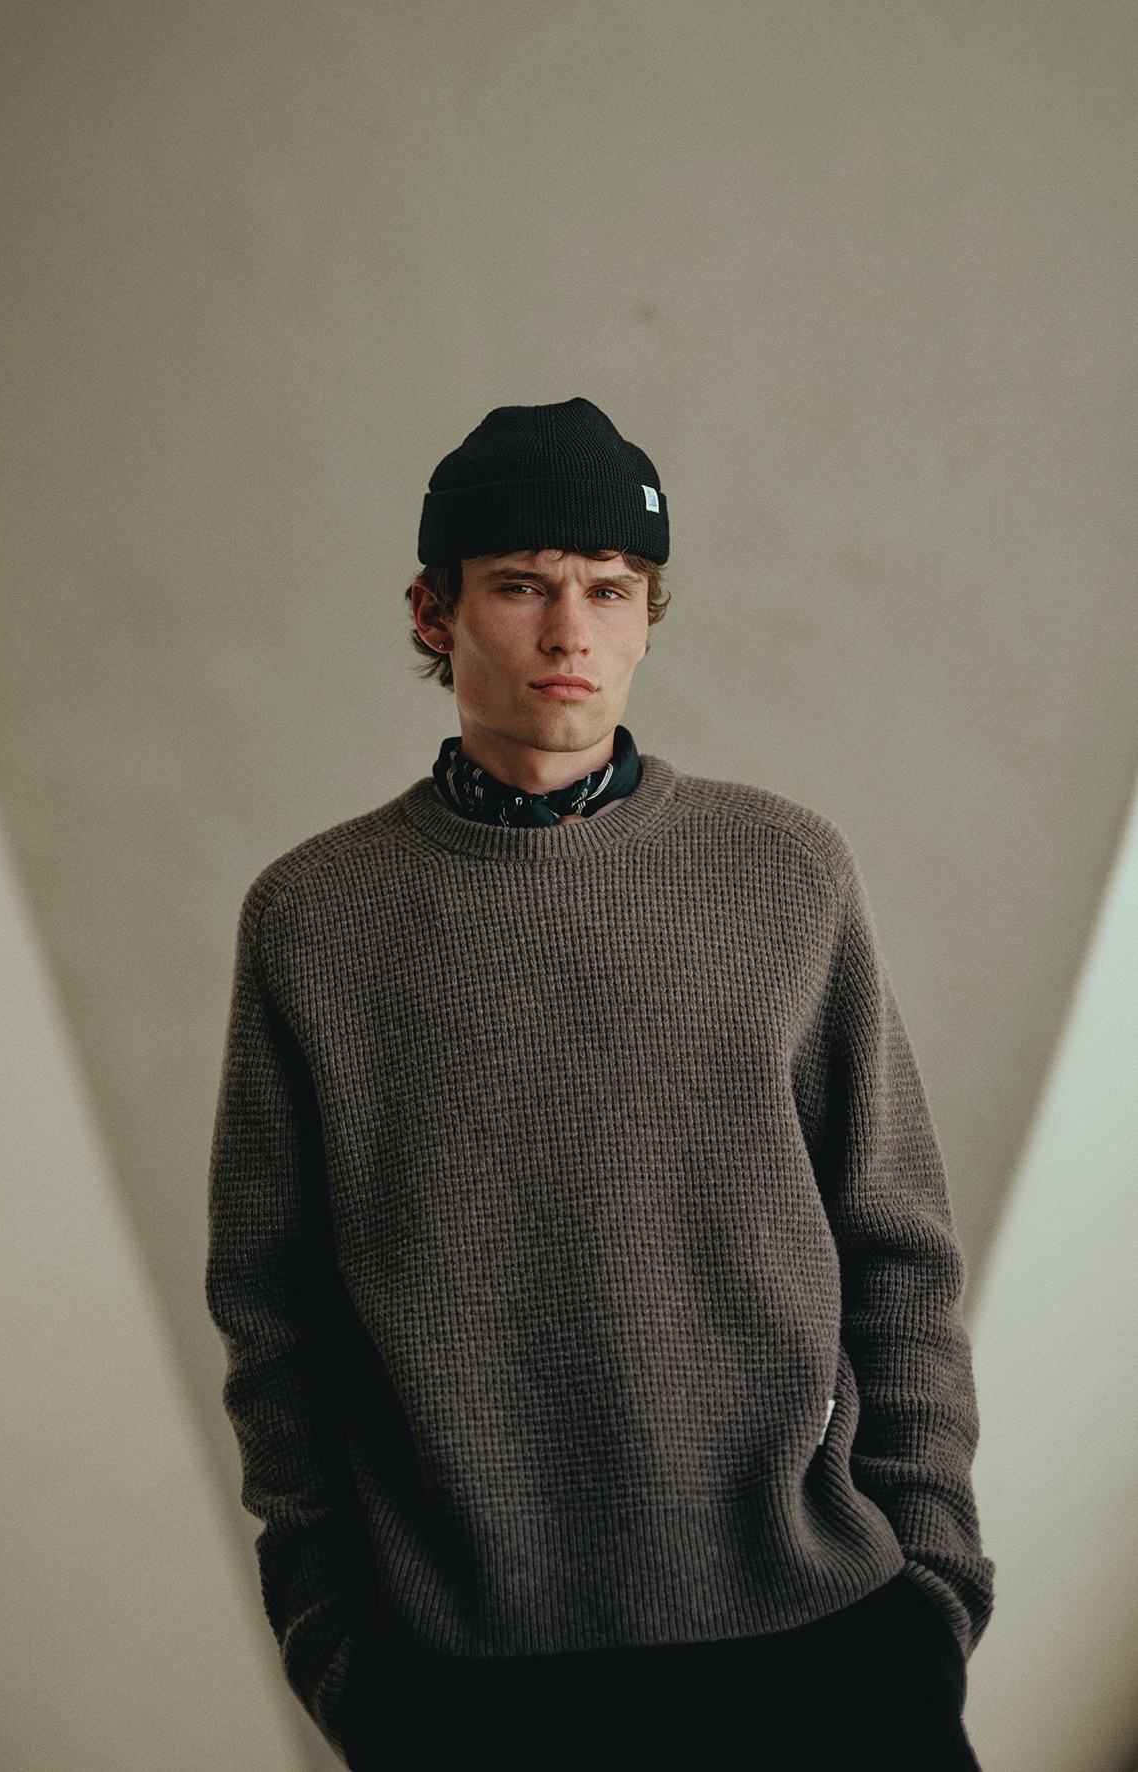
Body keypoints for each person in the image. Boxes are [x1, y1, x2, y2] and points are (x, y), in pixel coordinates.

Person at [206, 397, 993, 1770]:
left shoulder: (782, 872)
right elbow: (273, 1312)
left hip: (824, 1639)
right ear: (432, 611)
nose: (569, 632)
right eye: (519, 586)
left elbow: (897, 1245)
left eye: (609, 590)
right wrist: (328, 1633)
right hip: (466, 1677)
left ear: (646, 615)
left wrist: (931, 1579)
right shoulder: (314, 916)